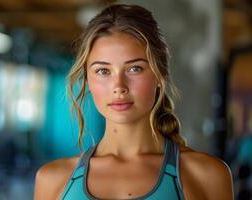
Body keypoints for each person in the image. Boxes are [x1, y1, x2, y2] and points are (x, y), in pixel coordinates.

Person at [34, 4, 234, 200]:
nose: (119, 86)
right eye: (103, 71)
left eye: (134, 68)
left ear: (160, 75)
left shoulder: (207, 175)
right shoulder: (52, 180)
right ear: (87, 80)